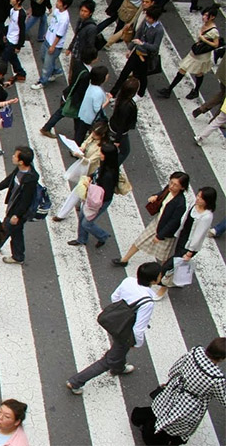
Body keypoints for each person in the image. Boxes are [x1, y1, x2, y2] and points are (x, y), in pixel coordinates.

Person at [67, 262, 160, 394]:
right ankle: (75, 382)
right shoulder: (147, 302)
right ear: (153, 280)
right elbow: (139, 328)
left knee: (119, 350)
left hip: (115, 324)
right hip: (125, 331)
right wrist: (137, 343)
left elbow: (114, 297)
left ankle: (118, 368)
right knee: (109, 360)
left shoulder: (129, 281)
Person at [132, 337, 226, 444]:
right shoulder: (216, 378)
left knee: (161, 407)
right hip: (190, 403)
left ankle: (140, 419)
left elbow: (176, 367)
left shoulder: (196, 352)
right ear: (222, 358)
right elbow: (223, 398)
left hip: (175, 387)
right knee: (175, 424)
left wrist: (169, 382)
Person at [113, 172, 189, 267]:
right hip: (158, 221)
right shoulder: (169, 189)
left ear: (182, 188)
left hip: (166, 230)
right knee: (140, 240)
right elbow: (162, 193)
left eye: (175, 185)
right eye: (171, 182)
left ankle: (162, 273)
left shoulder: (180, 204)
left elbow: (173, 222)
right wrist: (155, 196)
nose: (171, 186)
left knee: (163, 255)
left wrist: (160, 235)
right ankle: (124, 260)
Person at [153, 187, 215, 299]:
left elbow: (198, 236)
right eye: (198, 195)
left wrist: (190, 252)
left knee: (168, 266)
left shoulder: (206, 216)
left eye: (201, 198)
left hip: (190, 246)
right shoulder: (194, 206)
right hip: (182, 238)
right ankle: (179, 280)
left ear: (208, 201)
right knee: (178, 263)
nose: (198, 198)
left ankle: (162, 290)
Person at [0, 146, 39, 265]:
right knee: (16, 232)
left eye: (15, 156)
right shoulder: (19, 169)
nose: (12, 157)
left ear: (21, 161)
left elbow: (26, 200)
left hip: (17, 212)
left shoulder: (30, 179)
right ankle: (18, 256)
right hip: (13, 207)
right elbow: (9, 181)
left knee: (2, 232)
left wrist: (16, 215)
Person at [158, 7, 219, 101]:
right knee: (188, 70)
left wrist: (203, 40)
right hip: (195, 53)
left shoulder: (214, 31)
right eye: (204, 14)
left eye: (207, 15)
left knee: (193, 72)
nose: (204, 17)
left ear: (212, 17)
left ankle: (176, 90)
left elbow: (216, 44)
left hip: (201, 56)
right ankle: (173, 89)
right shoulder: (205, 25)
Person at [110, 7, 164, 97]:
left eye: (149, 18)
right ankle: (113, 92)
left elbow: (155, 47)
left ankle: (140, 93)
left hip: (146, 57)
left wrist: (142, 44)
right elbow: (137, 35)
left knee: (142, 76)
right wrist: (130, 48)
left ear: (155, 18)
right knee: (124, 72)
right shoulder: (145, 23)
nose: (147, 19)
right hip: (136, 52)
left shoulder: (159, 30)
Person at [30, 0, 71, 90]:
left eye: (59, 2)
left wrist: (53, 46)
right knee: (44, 58)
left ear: (65, 5)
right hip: (47, 40)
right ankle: (56, 71)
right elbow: (52, 24)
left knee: (46, 65)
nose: (56, 3)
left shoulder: (64, 19)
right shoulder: (57, 11)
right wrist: (47, 33)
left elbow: (59, 34)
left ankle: (42, 81)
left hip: (54, 45)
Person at [109, 77, 139, 165]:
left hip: (112, 126)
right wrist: (117, 140)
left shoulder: (121, 98)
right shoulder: (128, 106)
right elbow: (121, 125)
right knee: (125, 151)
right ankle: (112, 167)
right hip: (118, 132)